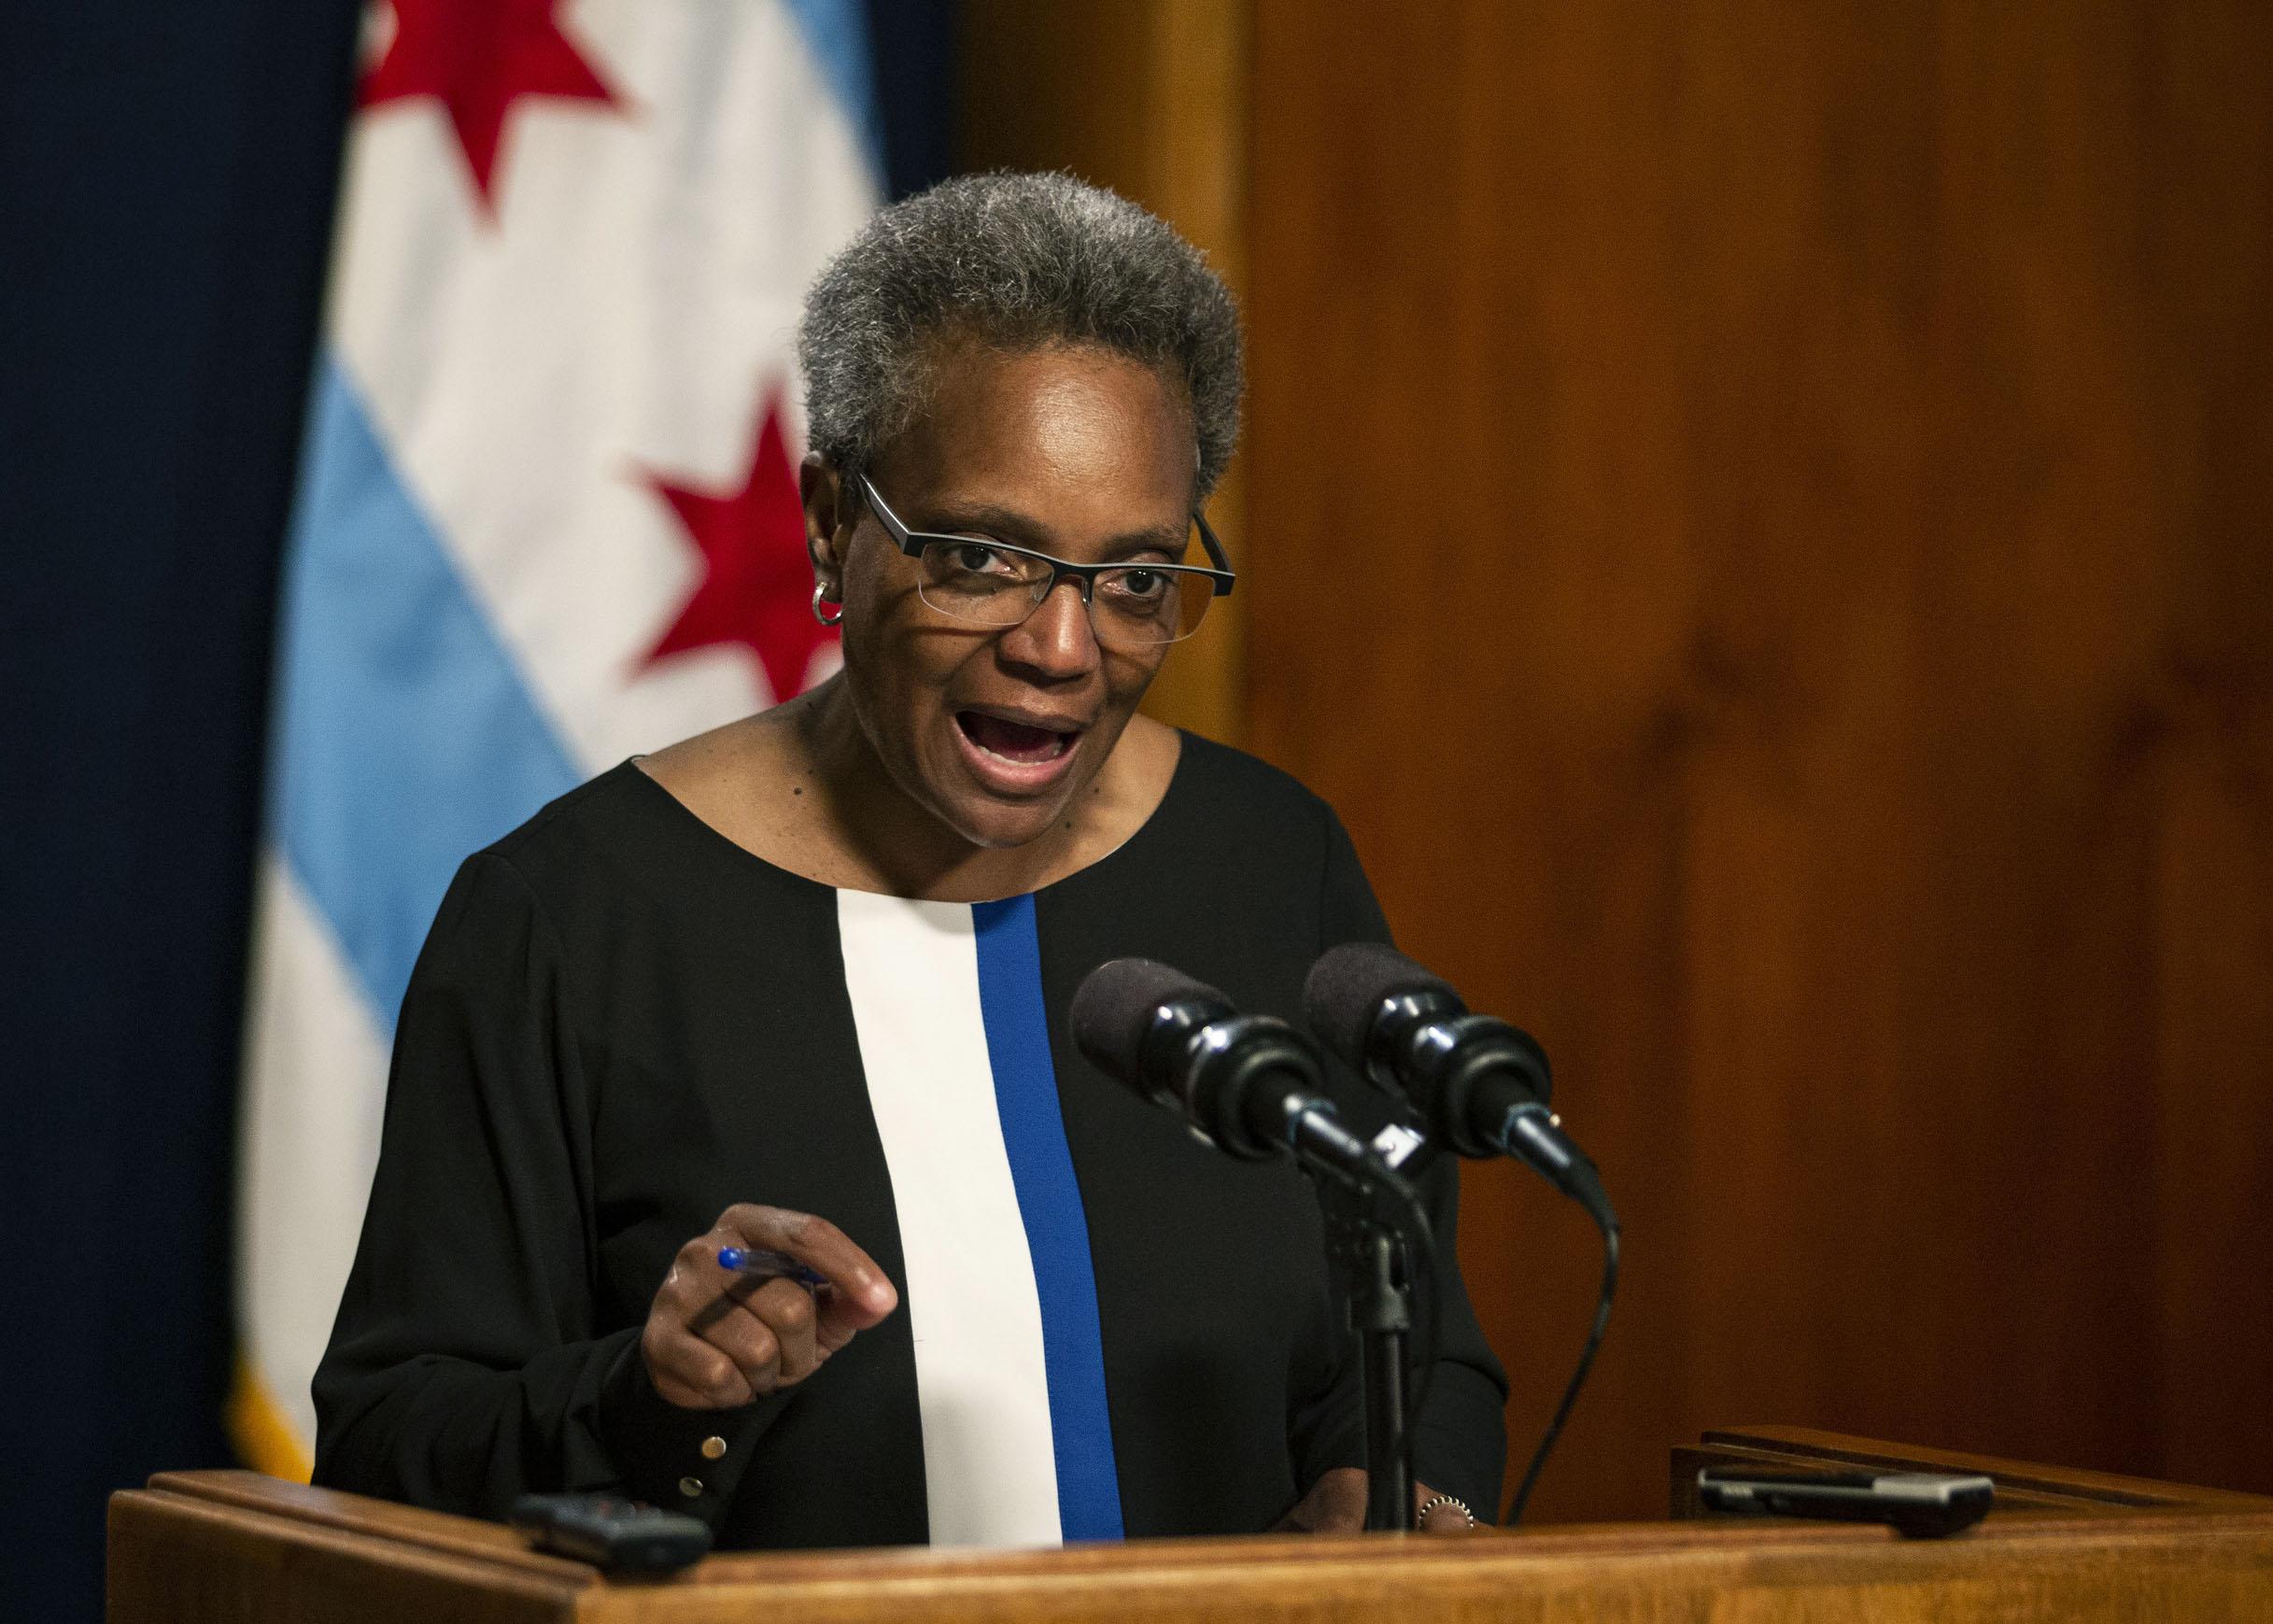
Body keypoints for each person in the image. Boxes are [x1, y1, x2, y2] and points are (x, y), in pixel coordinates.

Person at [313, 171, 1506, 1549]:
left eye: (1132, 577)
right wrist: (648, 1396)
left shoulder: (1267, 862)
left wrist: (1395, 1501)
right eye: (984, 559)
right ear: (832, 522)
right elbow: (388, 1449)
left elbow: (1420, 1346)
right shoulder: (570, 920)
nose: (1063, 650)